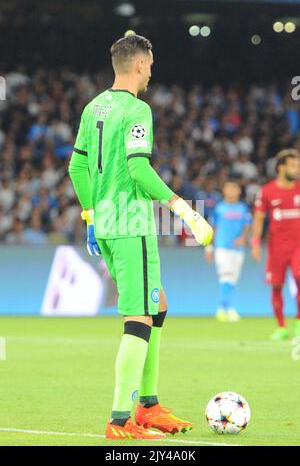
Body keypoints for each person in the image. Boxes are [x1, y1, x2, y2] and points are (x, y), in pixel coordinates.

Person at [68, 33, 213, 440]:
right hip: (133, 225)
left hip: (108, 227)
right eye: (150, 64)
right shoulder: (137, 110)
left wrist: (91, 217)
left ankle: (148, 405)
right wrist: (185, 211)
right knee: (139, 318)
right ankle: (119, 421)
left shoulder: (93, 107)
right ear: (139, 65)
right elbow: (139, 170)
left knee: (157, 304)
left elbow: (77, 170)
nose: (151, 70)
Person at [252, 149, 300, 341]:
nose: (297, 169)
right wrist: (255, 242)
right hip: (277, 249)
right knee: (276, 286)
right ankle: (281, 327)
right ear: (281, 167)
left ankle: (298, 324)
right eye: (293, 166)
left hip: (298, 247)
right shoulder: (267, 191)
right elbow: (259, 218)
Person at [205, 181, 251, 322]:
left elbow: (247, 225)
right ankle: (229, 308)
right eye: (229, 188)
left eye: (234, 188)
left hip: (238, 249)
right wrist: (209, 247)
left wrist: (243, 238)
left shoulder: (243, 208)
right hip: (222, 247)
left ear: (239, 191)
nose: (231, 191)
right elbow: (212, 228)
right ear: (224, 190)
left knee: (233, 278)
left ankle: (222, 308)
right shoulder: (219, 208)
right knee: (225, 276)